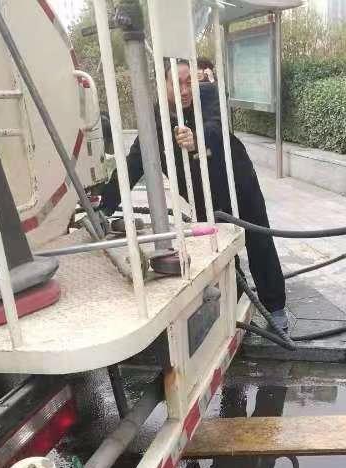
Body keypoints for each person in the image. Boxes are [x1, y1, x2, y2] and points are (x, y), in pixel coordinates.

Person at [100, 58, 288, 330]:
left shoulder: (208, 96)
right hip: (203, 197)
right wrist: (105, 206)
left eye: (190, 82)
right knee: (219, 249)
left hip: (238, 183)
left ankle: (276, 308)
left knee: (259, 241)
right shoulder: (154, 122)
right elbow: (133, 165)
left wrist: (197, 138)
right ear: (162, 85)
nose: (186, 90)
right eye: (178, 84)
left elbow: (216, 125)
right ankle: (235, 301)